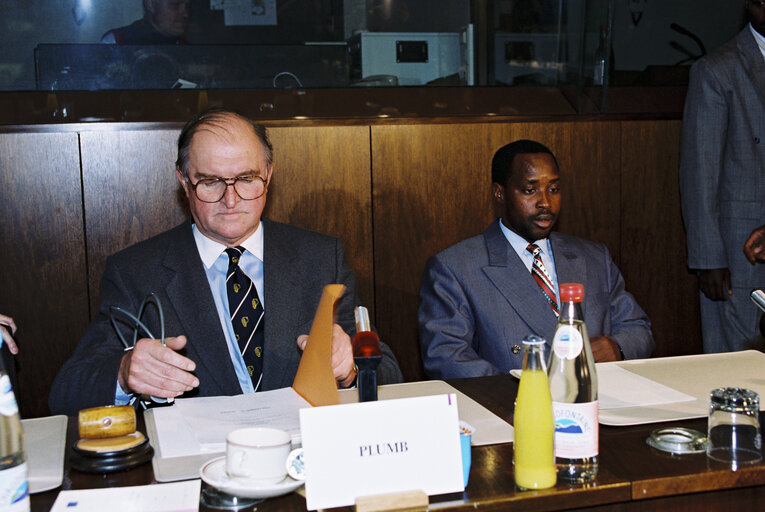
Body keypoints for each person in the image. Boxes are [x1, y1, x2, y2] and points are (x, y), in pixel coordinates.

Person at [49, 108, 402, 415]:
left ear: (269, 174)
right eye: (211, 182)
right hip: (197, 470)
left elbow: (389, 372)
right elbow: (67, 392)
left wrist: (352, 367)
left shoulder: (321, 257)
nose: (230, 199)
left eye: (247, 179)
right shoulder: (136, 272)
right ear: (184, 182)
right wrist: (125, 371)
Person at [418, 140, 654, 379]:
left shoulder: (593, 257)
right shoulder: (455, 268)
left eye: (553, 189)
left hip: (599, 403)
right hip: (512, 409)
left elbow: (638, 329)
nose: (545, 203)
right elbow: (447, 359)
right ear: (500, 193)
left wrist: (617, 348)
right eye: (530, 190)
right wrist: (533, 390)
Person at [678, 0, 765, 353]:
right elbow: (700, 170)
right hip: (738, 252)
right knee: (739, 365)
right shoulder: (717, 70)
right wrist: (708, 258)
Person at [100, 0, 190, 45]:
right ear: (151, 5)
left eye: (187, 6)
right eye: (175, 5)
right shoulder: (117, 41)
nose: (185, 14)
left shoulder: (187, 49)